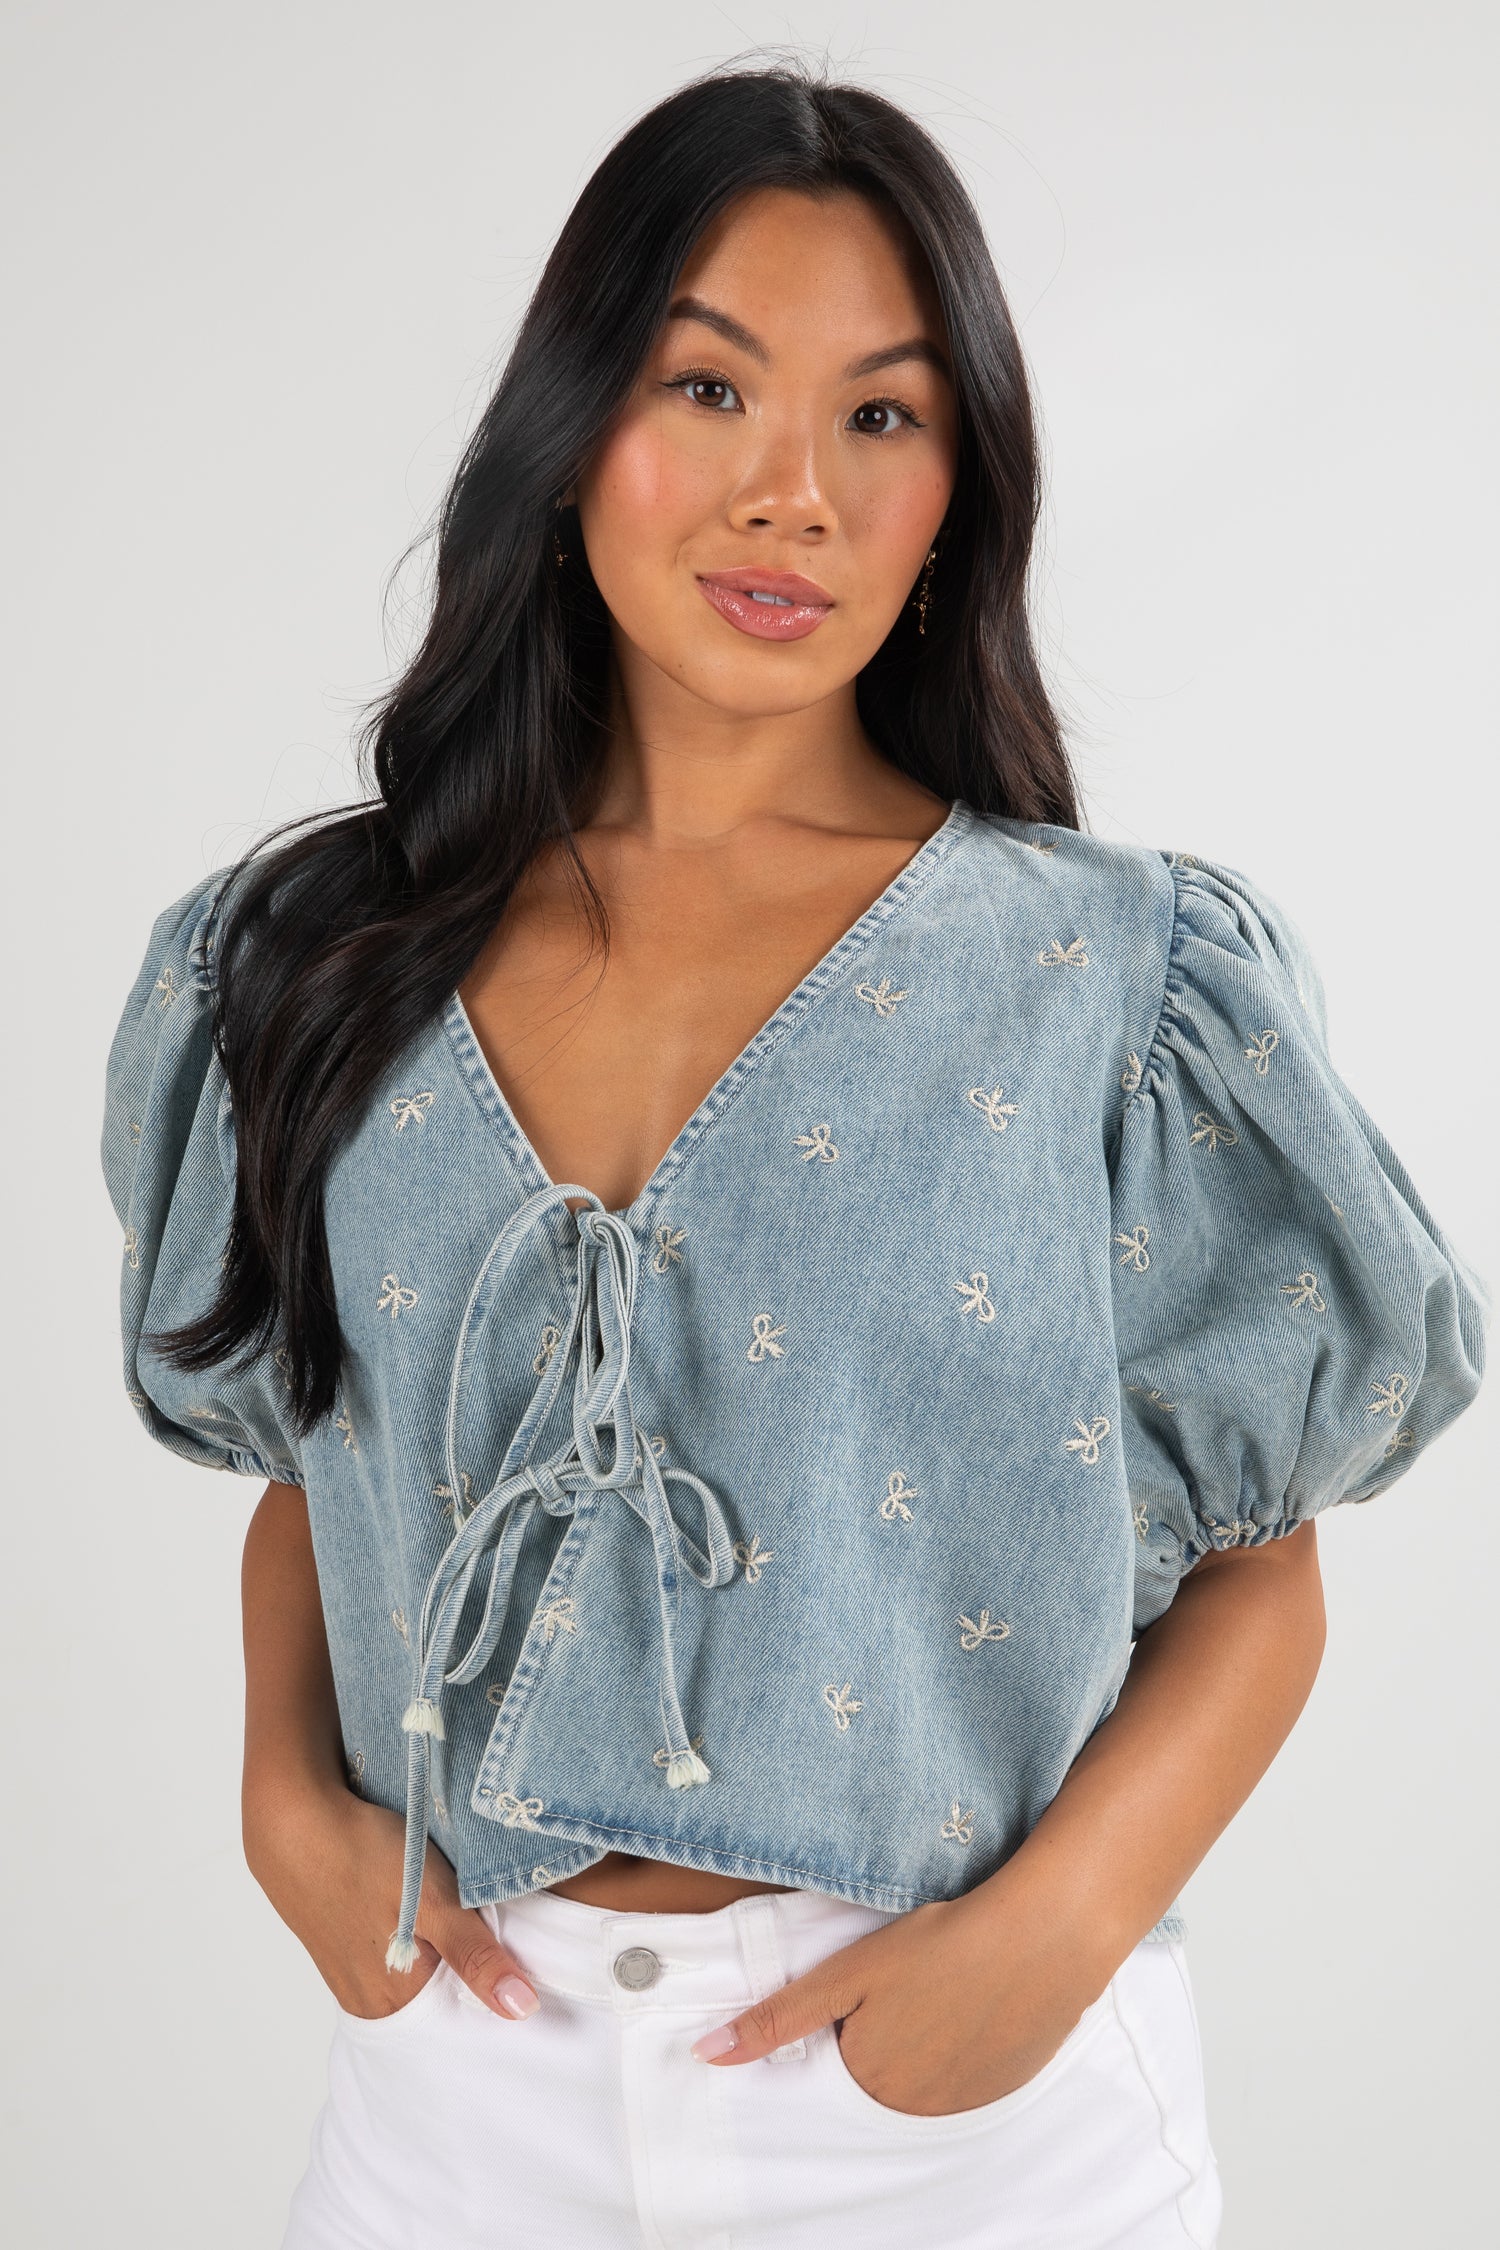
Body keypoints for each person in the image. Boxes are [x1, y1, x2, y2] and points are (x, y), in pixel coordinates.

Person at [100, 60, 1487, 2250]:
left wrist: (1054, 1934)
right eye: (711, 387)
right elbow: (307, 1456)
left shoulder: (1113, 983)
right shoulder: (315, 955)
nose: (794, 496)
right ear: (573, 426)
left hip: (959, 2120)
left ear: (957, 487)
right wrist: (285, 1798)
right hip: (455, 2102)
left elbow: (1261, 1550)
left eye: (882, 415)